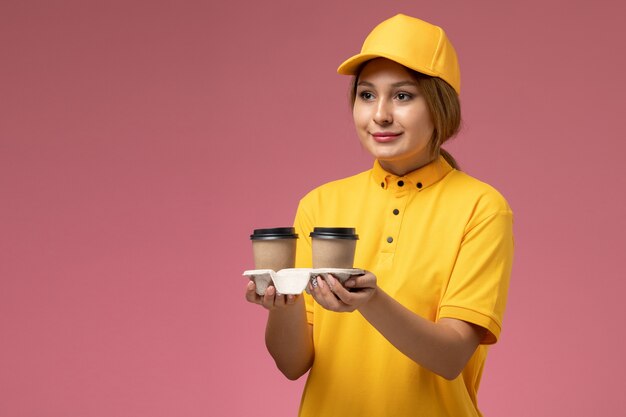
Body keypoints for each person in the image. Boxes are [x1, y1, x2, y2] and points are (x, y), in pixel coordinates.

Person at [245, 13, 514, 417]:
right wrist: (282, 306)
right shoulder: (320, 204)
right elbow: (292, 364)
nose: (380, 115)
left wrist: (369, 301)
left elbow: (450, 356)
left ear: (440, 105)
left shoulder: (481, 207)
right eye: (367, 95)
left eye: (403, 96)